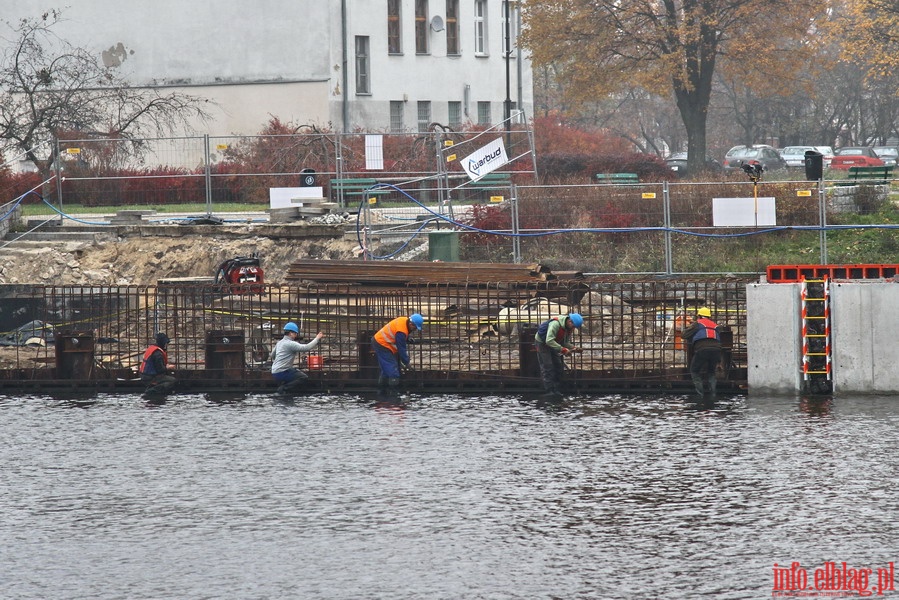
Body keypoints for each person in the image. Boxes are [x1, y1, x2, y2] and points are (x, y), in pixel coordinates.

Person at [534, 313, 584, 395]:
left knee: (558, 365)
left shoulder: (568, 328)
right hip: (542, 343)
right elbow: (549, 340)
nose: (573, 328)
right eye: (574, 326)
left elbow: (565, 342)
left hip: (553, 342)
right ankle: (549, 390)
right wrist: (563, 350)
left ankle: (556, 388)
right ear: (569, 321)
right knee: (548, 366)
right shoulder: (555, 324)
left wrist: (573, 348)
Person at [372, 313, 424, 391]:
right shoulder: (401, 332)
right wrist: (406, 362)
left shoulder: (403, 320)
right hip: (382, 344)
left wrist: (407, 339)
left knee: (386, 370)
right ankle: (393, 394)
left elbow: (398, 333)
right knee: (393, 371)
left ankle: (382, 392)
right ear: (411, 324)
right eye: (415, 327)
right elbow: (401, 349)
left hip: (382, 342)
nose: (415, 329)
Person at [270, 322, 325, 393]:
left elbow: (272, 355)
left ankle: (284, 389)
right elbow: (306, 347)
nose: (296, 335)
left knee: (293, 371)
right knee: (303, 377)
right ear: (290, 333)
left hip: (274, 372)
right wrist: (317, 338)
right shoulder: (290, 344)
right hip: (282, 372)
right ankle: (284, 389)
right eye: (295, 333)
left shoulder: (279, 343)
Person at [681, 307, 722, 396]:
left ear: (699, 316)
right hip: (717, 350)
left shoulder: (697, 324)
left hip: (702, 349)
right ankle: (713, 394)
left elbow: (684, 335)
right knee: (711, 372)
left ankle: (700, 395)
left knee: (694, 371)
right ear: (709, 316)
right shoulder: (715, 325)